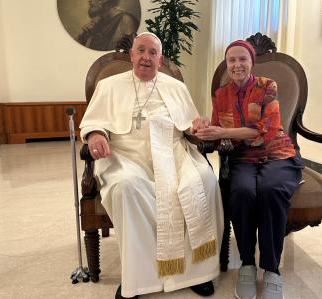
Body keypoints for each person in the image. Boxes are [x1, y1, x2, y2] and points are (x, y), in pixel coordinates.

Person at [79, 32, 224, 299]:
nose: (146, 57)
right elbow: (92, 122)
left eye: (153, 52)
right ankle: (138, 279)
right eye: (141, 51)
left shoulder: (176, 87)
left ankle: (197, 273)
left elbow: (190, 125)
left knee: (202, 179)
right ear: (132, 55)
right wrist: (96, 134)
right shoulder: (108, 86)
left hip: (173, 152)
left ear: (161, 59)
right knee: (127, 187)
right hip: (126, 155)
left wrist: (197, 126)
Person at [192, 40, 303, 299]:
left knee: (271, 189)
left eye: (242, 59)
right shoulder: (221, 95)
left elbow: (266, 130)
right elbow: (219, 136)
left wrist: (224, 131)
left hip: (277, 154)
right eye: (232, 60)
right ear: (227, 64)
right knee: (242, 192)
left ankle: (272, 268)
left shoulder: (267, 87)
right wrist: (204, 127)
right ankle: (247, 264)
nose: (237, 65)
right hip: (243, 158)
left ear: (251, 62)